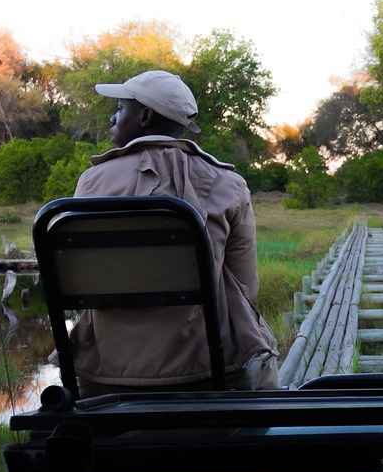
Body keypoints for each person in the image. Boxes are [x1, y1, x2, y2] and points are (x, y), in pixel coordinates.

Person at [67, 69, 279, 394]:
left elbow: (83, 280)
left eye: (121, 108)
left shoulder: (92, 182)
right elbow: (246, 287)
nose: (113, 116)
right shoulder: (229, 184)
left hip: (107, 375)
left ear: (145, 116)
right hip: (209, 370)